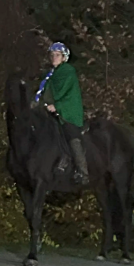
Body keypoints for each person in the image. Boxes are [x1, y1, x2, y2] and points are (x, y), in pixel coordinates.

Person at [36, 41, 89, 185]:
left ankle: (83, 171)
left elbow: (69, 95)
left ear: (64, 57)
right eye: (52, 55)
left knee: (71, 134)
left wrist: (57, 106)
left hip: (67, 112)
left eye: (57, 55)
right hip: (49, 111)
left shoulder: (68, 72)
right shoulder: (49, 75)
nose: (54, 58)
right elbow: (45, 93)